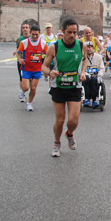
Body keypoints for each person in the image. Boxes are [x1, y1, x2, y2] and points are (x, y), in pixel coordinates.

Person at [42, 18, 87, 157]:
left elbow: (84, 59)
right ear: (62, 32)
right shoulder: (54, 47)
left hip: (74, 86)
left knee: (73, 120)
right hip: (59, 87)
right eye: (69, 32)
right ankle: (56, 143)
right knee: (60, 120)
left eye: (74, 32)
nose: (72, 35)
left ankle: (69, 134)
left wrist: (84, 72)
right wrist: (50, 72)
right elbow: (43, 67)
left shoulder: (81, 46)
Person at [16, 24, 48, 111]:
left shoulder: (43, 43)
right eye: (33, 34)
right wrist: (19, 59)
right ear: (30, 33)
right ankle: (23, 91)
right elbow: (18, 52)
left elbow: (48, 54)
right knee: (26, 87)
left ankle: (29, 103)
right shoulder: (24, 42)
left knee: (33, 88)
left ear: (39, 34)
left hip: (37, 69)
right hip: (26, 68)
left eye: (36, 34)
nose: (34, 36)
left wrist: (45, 62)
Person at [82, 41, 106, 107]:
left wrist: (100, 74)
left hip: (96, 75)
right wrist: (85, 74)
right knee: (86, 79)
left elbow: (102, 68)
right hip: (86, 74)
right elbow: (81, 69)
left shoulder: (98, 57)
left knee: (94, 80)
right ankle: (87, 99)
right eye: (87, 47)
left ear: (92, 48)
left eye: (90, 47)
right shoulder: (82, 58)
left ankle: (94, 99)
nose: (88, 49)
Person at [15, 21, 30, 102]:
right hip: (21, 62)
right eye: (23, 28)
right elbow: (18, 49)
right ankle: (23, 93)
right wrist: (17, 55)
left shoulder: (32, 38)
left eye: (26, 28)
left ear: (29, 29)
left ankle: (26, 92)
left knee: (30, 80)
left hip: (30, 61)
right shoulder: (19, 40)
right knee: (22, 78)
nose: (25, 29)